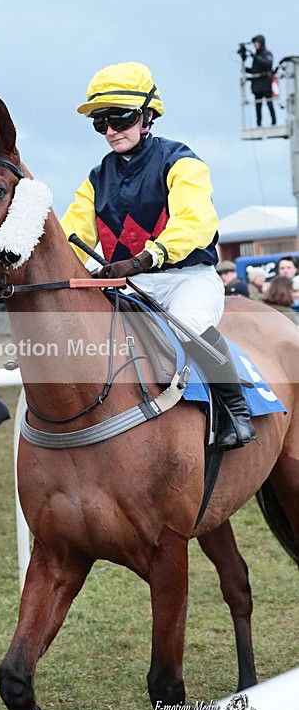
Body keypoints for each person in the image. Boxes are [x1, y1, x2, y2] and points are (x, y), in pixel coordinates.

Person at [61, 61, 255, 449]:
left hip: (187, 278)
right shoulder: (95, 179)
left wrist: (144, 258)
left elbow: (195, 222)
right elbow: (69, 233)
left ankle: (235, 411)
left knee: (187, 325)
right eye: (101, 123)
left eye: (120, 118)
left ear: (148, 115)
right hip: (129, 286)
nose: (111, 131)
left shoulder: (182, 162)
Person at [244, 35, 276, 127]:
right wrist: (247, 70)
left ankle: (274, 121)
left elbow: (267, 64)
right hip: (257, 86)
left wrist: (255, 57)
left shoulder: (267, 54)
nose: (255, 45)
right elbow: (255, 70)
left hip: (266, 85)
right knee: (258, 106)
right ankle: (259, 123)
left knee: (269, 103)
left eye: (257, 43)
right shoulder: (256, 56)